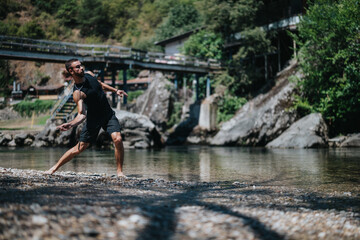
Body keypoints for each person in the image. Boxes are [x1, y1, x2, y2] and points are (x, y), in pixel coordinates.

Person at [45, 59, 128, 177]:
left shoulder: (90, 75)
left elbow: (100, 85)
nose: (81, 68)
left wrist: (115, 90)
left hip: (108, 114)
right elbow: (82, 114)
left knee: (118, 139)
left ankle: (119, 172)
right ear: (71, 71)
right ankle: (54, 168)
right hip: (93, 119)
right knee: (80, 147)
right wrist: (71, 124)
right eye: (77, 67)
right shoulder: (78, 93)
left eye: (81, 66)